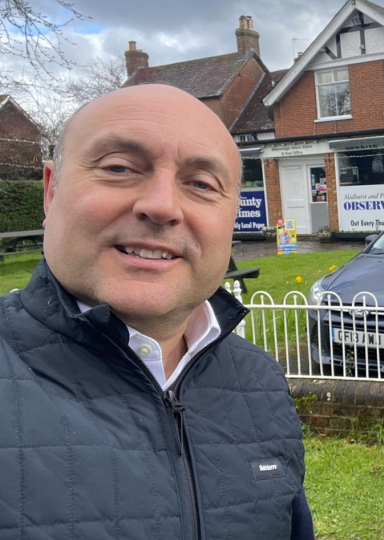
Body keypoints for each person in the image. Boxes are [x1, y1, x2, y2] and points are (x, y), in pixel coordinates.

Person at [0, 84, 314, 539]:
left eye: (202, 184)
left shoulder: (259, 382)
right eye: (120, 168)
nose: (163, 206)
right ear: (51, 192)